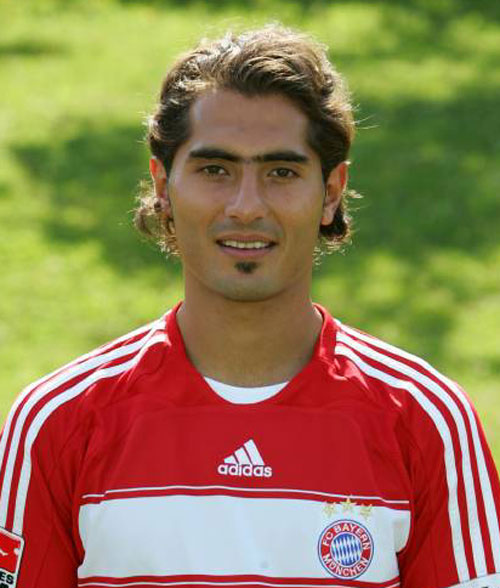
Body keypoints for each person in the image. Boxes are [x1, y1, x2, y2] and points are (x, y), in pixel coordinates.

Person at [0, 24, 499, 588]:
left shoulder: (426, 421)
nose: (245, 206)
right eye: (215, 170)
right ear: (162, 185)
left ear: (331, 192)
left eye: (281, 172)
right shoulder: (58, 423)